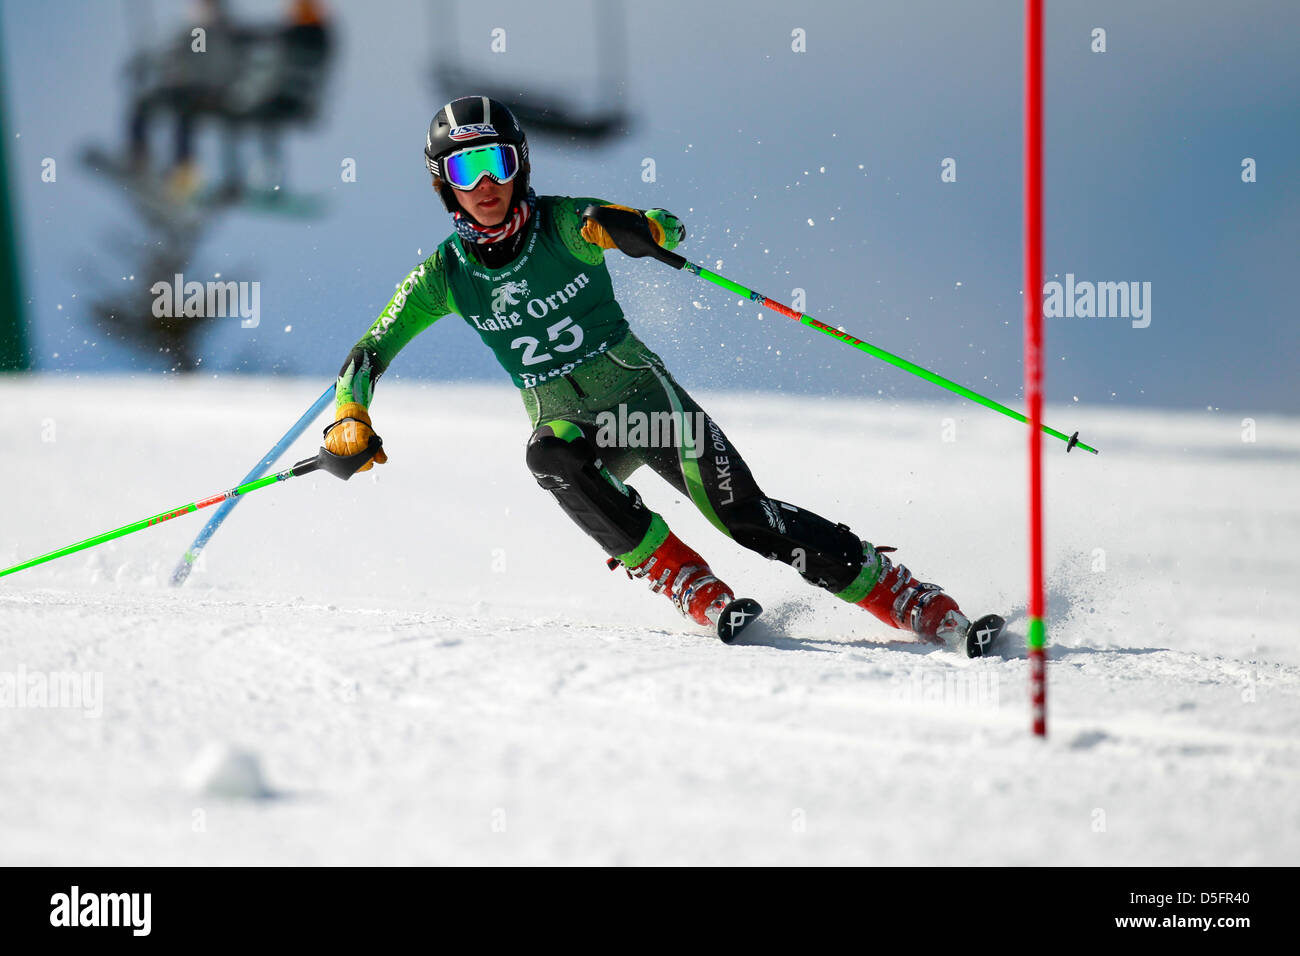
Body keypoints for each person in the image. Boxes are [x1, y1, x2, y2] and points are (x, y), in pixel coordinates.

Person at [326, 96, 986, 651]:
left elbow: (661, 224)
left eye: (497, 161)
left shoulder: (562, 223)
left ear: (519, 163)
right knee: (548, 451)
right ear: (444, 183)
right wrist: (350, 417)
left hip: (647, 406)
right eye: (465, 169)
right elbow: (366, 356)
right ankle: (682, 579)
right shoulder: (442, 277)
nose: (485, 184)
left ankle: (907, 598)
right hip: (575, 424)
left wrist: (639, 229)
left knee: (746, 518)